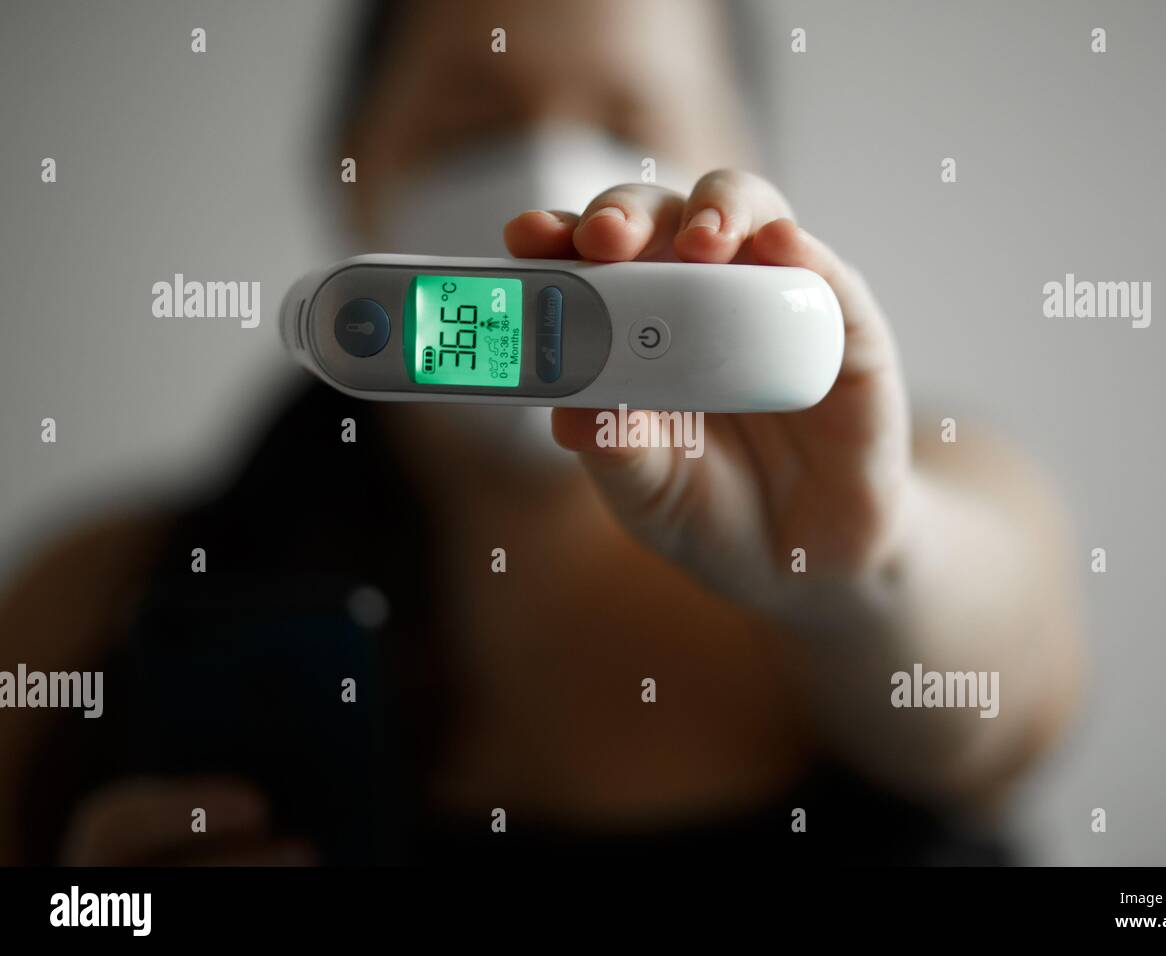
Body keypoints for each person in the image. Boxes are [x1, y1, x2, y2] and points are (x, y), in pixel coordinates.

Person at [0, 0, 1083, 866]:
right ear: (351, 166)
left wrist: (865, 564)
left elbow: (996, 705)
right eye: (475, 124)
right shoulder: (93, 595)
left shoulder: (936, 488)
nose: (551, 174)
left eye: (632, 126)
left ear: (743, 159)